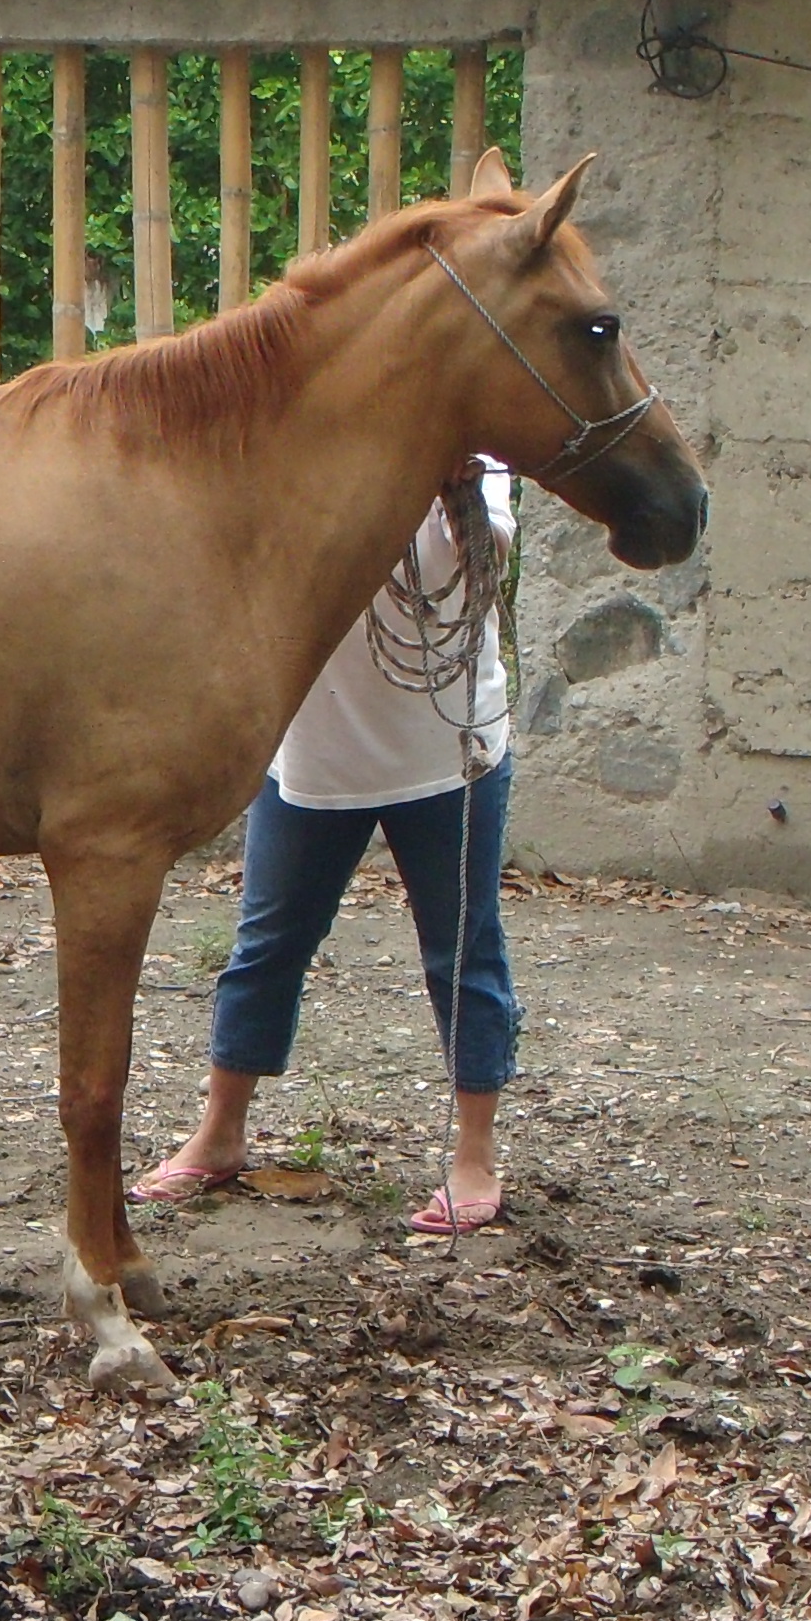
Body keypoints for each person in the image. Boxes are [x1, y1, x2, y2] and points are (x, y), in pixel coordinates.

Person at [131, 461, 521, 1233]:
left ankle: (474, 1156)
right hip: (314, 744)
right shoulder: (308, 439)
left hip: (451, 744)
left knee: (463, 947)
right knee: (268, 943)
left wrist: (457, 493)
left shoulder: (472, 447)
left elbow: (487, 555)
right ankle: (220, 1134)